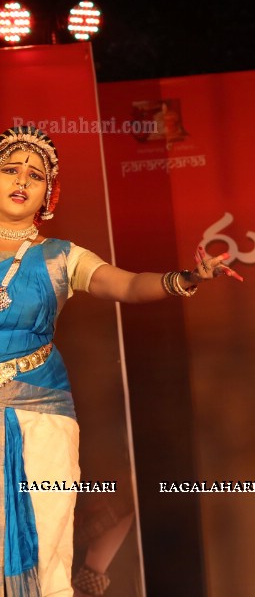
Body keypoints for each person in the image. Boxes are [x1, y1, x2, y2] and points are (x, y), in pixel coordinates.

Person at [0, 125, 240, 596]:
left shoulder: (59, 257)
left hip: (41, 414)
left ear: (49, 194)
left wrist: (186, 277)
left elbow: (127, 285)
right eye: (10, 169)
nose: (22, 181)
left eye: (36, 175)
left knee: (48, 535)